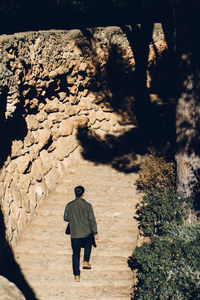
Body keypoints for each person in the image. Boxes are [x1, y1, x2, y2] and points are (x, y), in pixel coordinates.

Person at [64, 185, 98, 282]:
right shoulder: (88, 205)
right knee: (88, 245)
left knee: (75, 254)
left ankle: (77, 276)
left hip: (75, 234)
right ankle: (86, 261)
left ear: (75, 193)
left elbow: (65, 218)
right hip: (86, 232)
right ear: (83, 194)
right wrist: (95, 232)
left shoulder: (69, 205)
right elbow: (92, 220)